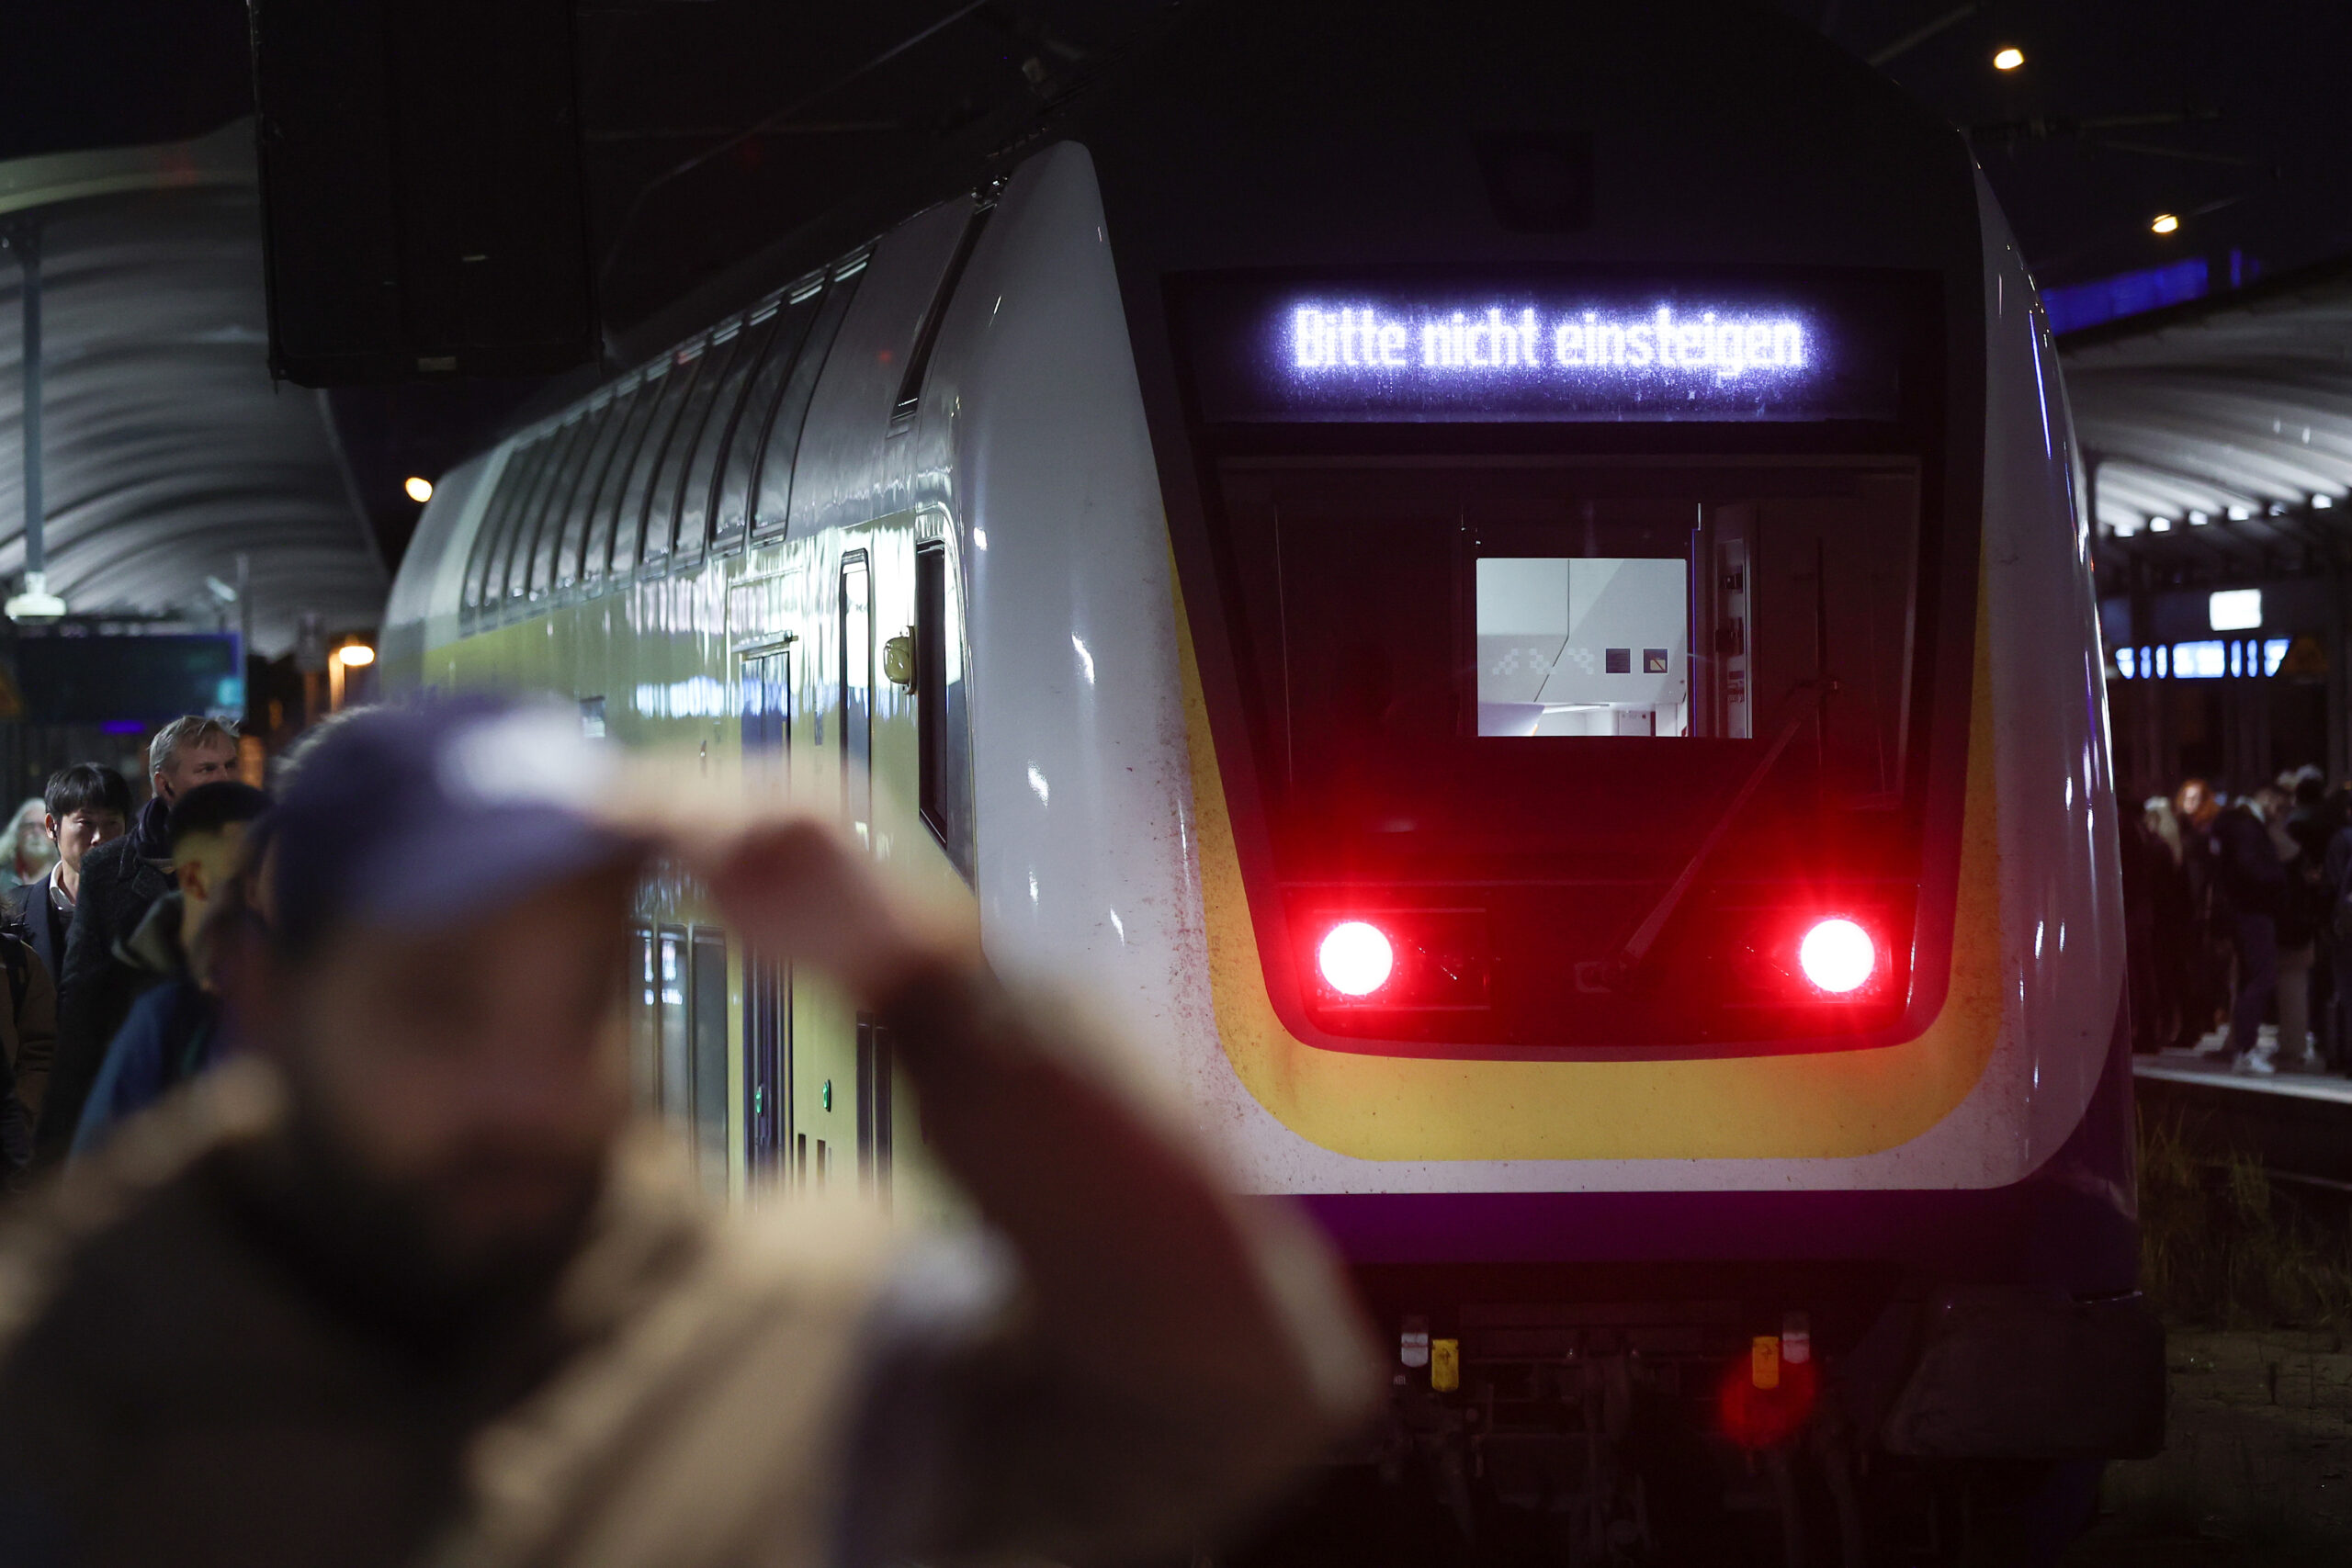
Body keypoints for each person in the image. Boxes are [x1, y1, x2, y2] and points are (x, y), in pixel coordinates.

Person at [0, 701, 1377, 1565]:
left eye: (580, 1003)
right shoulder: (65, 1374)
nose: (525, 1086)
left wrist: (933, 995)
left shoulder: (806, 1332)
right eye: (440, 1007)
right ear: (269, 992)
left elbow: (1235, 1388)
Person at [40, 716, 238, 1165]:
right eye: (206, 770)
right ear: (164, 785)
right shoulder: (109, 869)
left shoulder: (258, 856)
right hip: (140, 1102)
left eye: (229, 765)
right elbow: (83, 1000)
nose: (224, 779)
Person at [70, 781, 270, 1156]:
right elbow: (98, 1169)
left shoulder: (323, 1003)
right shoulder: (164, 1015)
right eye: (243, 878)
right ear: (195, 878)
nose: (258, 894)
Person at [2, 763, 133, 983]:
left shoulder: (147, 905)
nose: (98, 837)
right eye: (86, 823)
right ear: (52, 826)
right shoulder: (13, 911)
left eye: (111, 823)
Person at [2213, 789, 2290, 1074]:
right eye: (2280, 806)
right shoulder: (2249, 828)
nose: (2280, 814)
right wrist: (2278, 876)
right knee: (2262, 977)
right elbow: (2252, 868)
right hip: (2255, 911)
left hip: (2243, 911)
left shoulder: (2235, 826)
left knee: (2251, 978)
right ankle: (2246, 1049)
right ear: (2268, 800)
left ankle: (2243, 1046)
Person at [1, 797, 54, 890]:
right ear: (16, 833)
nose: (36, 832)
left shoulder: (64, 878)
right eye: (29, 826)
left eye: (43, 827)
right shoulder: (3, 878)